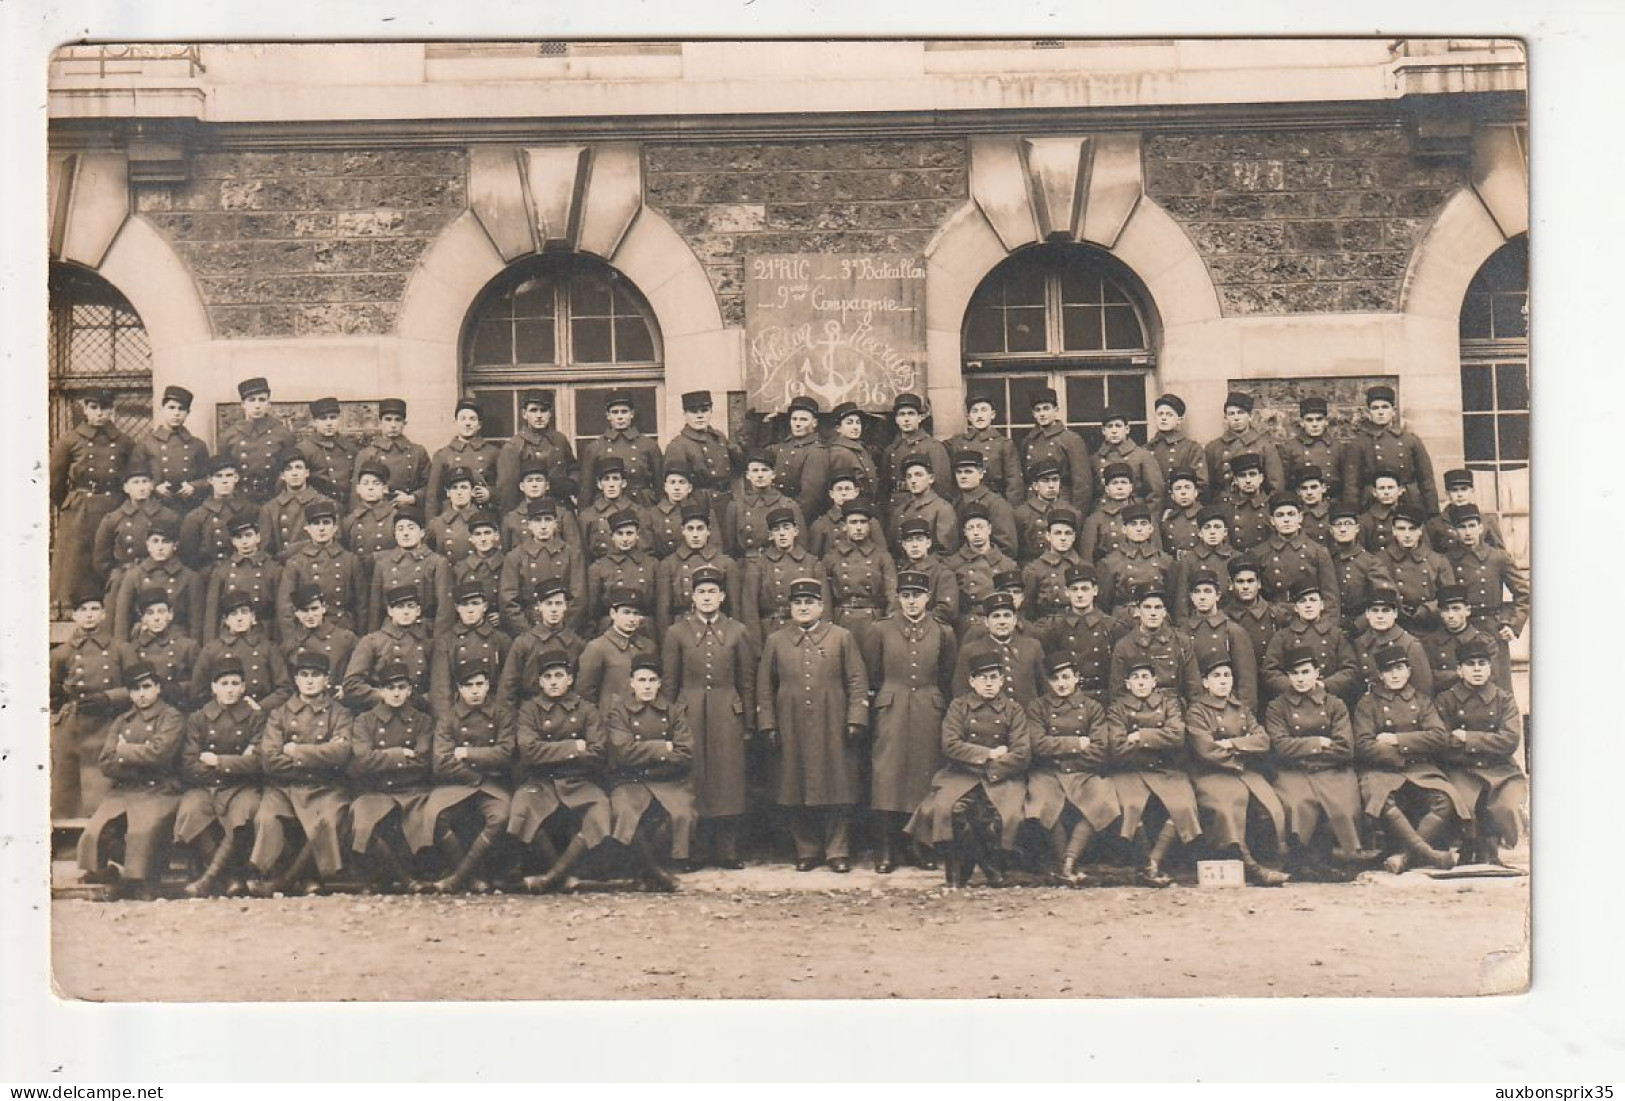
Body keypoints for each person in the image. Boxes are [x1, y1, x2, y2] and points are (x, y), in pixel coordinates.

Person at [756, 577, 869, 872]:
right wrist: (768, 724)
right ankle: (806, 849)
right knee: (794, 785)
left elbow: (857, 681)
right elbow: (764, 687)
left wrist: (856, 718)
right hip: (790, 723)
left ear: (821, 606)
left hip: (832, 722)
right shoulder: (776, 640)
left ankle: (837, 850)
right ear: (790, 608)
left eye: (809, 603)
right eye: (798, 603)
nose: (803, 608)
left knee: (838, 785)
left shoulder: (841, 637)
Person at [907, 650, 1032, 888]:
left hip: (1001, 777)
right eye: (982, 678)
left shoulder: (1014, 710)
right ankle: (961, 870)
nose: (988, 684)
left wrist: (991, 769)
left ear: (1002, 680)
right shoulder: (959, 707)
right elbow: (950, 745)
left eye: (993, 677)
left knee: (1001, 817)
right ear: (971, 681)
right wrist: (987, 754)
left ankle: (989, 864)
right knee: (952, 811)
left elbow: (1022, 752)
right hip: (961, 775)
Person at [660, 566, 758, 869]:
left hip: (726, 712)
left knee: (727, 780)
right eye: (701, 592)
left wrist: (748, 722)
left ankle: (727, 849)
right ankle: (695, 850)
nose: (706, 597)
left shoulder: (737, 631)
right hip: (689, 712)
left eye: (712, 592)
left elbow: (747, 680)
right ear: (692, 596)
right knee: (694, 779)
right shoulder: (677, 632)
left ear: (722, 596)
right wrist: (669, 722)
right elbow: (669, 681)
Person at [861, 570, 957, 873]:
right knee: (886, 776)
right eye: (906, 596)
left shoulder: (943, 632)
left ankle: (919, 845)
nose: (911, 602)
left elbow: (946, 673)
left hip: (928, 707)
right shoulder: (881, 630)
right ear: (898, 598)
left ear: (928, 598)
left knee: (923, 775)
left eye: (917, 595)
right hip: (892, 706)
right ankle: (886, 848)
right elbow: (872, 673)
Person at [1355, 642, 1467, 874]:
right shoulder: (1368, 703)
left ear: (1408, 671)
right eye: (1388, 670)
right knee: (1382, 799)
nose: (1394, 675)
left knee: (1445, 800)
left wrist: (1396, 740)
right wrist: (1405, 754)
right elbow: (1363, 744)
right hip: (1382, 769)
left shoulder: (1422, 701)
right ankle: (1429, 854)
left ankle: (1405, 856)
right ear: (1380, 675)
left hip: (1420, 768)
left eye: (1399, 668)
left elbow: (1438, 737)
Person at [250, 649, 354, 897]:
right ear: (296, 680)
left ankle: (290, 881)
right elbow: (270, 760)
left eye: (316, 675)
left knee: (325, 822)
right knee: (266, 818)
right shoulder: (280, 713)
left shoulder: (339, 713)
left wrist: (295, 750)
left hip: (325, 787)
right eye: (304, 675)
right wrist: (318, 756)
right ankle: (284, 875)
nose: (309, 680)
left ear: (326, 680)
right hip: (284, 788)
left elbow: (340, 753)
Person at [76, 661, 183, 900]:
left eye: (146, 687)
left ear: (158, 687)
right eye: (135, 690)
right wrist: (139, 759)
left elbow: (161, 754)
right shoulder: (122, 720)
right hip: (125, 790)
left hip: (160, 790)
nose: (141, 694)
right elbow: (106, 762)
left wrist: (124, 752)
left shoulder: (171, 717)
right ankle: (114, 872)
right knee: (95, 833)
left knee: (143, 832)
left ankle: (142, 880)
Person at [1263, 644, 1372, 876]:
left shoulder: (1335, 704)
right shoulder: (1277, 707)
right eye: (1294, 674)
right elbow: (1280, 746)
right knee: (1297, 804)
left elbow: (1344, 748)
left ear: (1317, 673)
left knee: (1344, 808)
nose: (1300, 679)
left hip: (1333, 770)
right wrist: (1319, 743)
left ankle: (1341, 859)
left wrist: (1303, 751)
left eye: (1305, 672)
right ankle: (1301, 861)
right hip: (1293, 772)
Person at [1184, 655, 1290, 886]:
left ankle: (1270, 860)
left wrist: (1232, 744)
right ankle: (1250, 867)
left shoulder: (1241, 708)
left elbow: (1262, 740)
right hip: (1210, 774)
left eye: (1227, 676)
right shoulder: (1197, 712)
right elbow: (1206, 749)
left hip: (1243, 772)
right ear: (1205, 683)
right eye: (1216, 676)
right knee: (1226, 811)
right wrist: (1242, 750)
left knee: (1270, 808)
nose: (1223, 681)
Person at [1101, 655, 1201, 887]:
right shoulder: (1117, 708)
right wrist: (1158, 740)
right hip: (1130, 771)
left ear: (1155, 681)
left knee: (1183, 805)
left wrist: (1139, 736)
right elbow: (1117, 747)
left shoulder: (1170, 704)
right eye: (1135, 678)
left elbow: (1177, 736)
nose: (1141, 683)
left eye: (1146, 677)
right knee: (1131, 805)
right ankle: (1148, 863)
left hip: (1165, 769)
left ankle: (1154, 862)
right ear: (1127, 684)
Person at [174, 655, 264, 897]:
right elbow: (189, 764)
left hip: (241, 787)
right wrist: (237, 763)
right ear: (214, 687)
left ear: (244, 687)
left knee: (244, 813)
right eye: (224, 684)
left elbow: (257, 762)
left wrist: (218, 761)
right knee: (191, 811)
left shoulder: (255, 718)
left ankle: (209, 879)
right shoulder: (199, 718)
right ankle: (230, 876)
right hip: (205, 786)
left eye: (235, 683)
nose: (230, 690)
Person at [1024, 652, 1116, 886]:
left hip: (1082, 772)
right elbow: (1037, 744)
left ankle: (1068, 862)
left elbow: (1099, 748)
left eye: (1066, 677)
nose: (1061, 684)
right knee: (1043, 801)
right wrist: (1077, 743)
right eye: (1055, 679)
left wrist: (1062, 754)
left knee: (1103, 800)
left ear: (1077, 678)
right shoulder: (1038, 707)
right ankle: (1064, 865)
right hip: (1049, 773)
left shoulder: (1092, 708)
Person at [421, 660, 514, 893]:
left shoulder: (502, 715)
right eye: (468, 685)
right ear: (459, 689)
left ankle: (457, 879)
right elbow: (441, 763)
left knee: (501, 817)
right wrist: (477, 772)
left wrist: (465, 753)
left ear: (487, 686)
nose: (474, 690)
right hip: (457, 785)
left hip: (492, 786)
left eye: (479, 684)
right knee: (436, 815)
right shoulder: (448, 718)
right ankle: (472, 879)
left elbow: (505, 753)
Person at [605, 656, 696, 890]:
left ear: (659, 684)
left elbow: (685, 753)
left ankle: (646, 868)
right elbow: (622, 752)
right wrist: (663, 747)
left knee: (683, 814)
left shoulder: (674, 712)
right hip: (630, 780)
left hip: (668, 780)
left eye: (652, 680)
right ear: (631, 683)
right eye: (641, 680)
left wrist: (644, 752)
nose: (646, 686)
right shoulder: (619, 712)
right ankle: (656, 872)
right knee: (625, 812)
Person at [345, 659, 434, 893]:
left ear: (409, 690)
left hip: (412, 791)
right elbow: (363, 759)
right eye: (390, 688)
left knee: (425, 820)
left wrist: (381, 756)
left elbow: (422, 760)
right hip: (376, 790)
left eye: (401, 687)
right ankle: (404, 880)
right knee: (363, 821)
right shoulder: (365, 721)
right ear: (381, 691)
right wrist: (401, 753)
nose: (396, 693)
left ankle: (395, 876)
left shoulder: (422, 721)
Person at [1436, 638, 1527, 866]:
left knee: (1505, 806)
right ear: (1459, 670)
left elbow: (1509, 740)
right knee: (1463, 805)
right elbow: (1442, 742)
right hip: (1461, 769)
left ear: (1490, 668)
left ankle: (1497, 850)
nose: (1476, 669)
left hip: (1501, 771)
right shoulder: (1446, 700)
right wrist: (1488, 745)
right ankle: (1469, 849)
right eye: (1470, 664)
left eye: (1482, 663)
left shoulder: (1503, 700)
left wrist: (1468, 738)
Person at [50, 586, 129, 817]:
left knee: (103, 779)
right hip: (75, 724)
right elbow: (53, 689)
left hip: (108, 722)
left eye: (95, 609)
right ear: (75, 616)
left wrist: (109, 697)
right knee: (69, 781)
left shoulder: (119, 649)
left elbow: (136, 689)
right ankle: (68, 836)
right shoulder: (61, 654)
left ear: (104, 614)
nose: (89, 614)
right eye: (83, 610)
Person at [1445, 503, 1529, 691]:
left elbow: (1524, 594)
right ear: (1454, 531)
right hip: (1462, 629)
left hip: (1492, 629)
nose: (1468, 532)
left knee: (1498, 687)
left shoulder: (1497, 557)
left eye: (1472, 526)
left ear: (1481, 527)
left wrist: (1513, 624)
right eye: (1462, 527)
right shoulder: (1448, 560)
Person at [1341, 384, 1439, 516]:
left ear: (1393, 411)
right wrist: (1352, 514)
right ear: (1369, 412)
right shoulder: (1359, 443)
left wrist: (1433, 514)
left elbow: (1426, 481)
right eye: (1375, 408)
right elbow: (1351, 485)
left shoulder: (1410, 440)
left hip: (1408, 501)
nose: (1380, 412)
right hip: (1372, 504)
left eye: (1385, 407)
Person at [188, 589, 291, 713]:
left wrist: (261, 706)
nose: (239, 618)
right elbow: (198, 692)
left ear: (253, 617)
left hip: (258, 715)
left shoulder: (268, 648)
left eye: (244, 612)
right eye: (233, 614)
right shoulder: (212, 650)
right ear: (226, 620)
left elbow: (284, 689)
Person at [92, 454, 179, 602]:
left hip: (160, 578)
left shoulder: (169, 516)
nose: (141, 487)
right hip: (125, 577)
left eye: (145, 482)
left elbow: (179, 551)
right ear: (126, 488)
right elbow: (101, 560)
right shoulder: (113, 519)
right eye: (135, 482)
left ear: (152, 486)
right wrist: (116, 576)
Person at [496, 580, 588, 718]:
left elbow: (583, 689)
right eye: (548, 604)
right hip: (531, 716)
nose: (554, 609)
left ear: (566, 606)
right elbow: (508, 689)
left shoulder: (578, 645)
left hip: (568, 717)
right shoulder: (524, 643)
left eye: (558, 603)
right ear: (539, 606)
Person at [278, 498, 366, 636]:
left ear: (335, 528)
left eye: (326, 523)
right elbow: (285, 608)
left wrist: (359, 636)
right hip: (307, 631)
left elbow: (362, 606)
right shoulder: (296, 563)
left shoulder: (350, 560)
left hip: (342, 630)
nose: (321, 528)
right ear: (307, 529)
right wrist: (293, 640)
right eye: (316, 523)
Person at [739, 507, 827, 644]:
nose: (782, 534)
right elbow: (750, 611)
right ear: (770, 535)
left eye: (786, 528)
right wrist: (755, 645)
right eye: (776, 529)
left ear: (795, 531)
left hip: (805, 630)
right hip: (770, 631)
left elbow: (824, 607)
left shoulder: (812, 563)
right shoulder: (758, 565)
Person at [1261, 581, 1359, 704]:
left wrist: (1324, 685)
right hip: (1293, 702)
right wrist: (1296, 685)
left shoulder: (1336, 635)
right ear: (1296, 608)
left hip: (1328, 700)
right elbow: (1269, 671)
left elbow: (1350, 670)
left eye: (1313, 600)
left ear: (1322, 605)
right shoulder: (1283, 636)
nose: (1308, 605)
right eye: (1302, 601)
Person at [498, 498, 585, 635]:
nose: (543, 526)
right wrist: (529, 634)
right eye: (538, 520)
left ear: (556, 524)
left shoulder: (571, 554)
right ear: (529, 525)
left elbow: (578, 598)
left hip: (564, 630)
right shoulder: (515, 557)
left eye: (548, 520)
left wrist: (562, 630)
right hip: (529, 628)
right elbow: (508, 602)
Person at [1039, 564, 1123, 706]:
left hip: (1103, 700)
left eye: (1085, 588)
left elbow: (1117, 674)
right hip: (1066, 701)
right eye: (1074, 589)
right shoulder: (1055, 628)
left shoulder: (1112, 627)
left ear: (1095, 590)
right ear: (1066, 592)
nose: (1079, 594)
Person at [822, 498, 897, 656]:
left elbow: (892, 595)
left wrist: (887, 626)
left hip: (873, 622)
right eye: (853, 522)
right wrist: (827, 628)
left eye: (863, 522)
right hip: (841, 621)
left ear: (869, 526)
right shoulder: (831, 557)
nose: (858, 528)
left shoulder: (882, 556)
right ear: (844, 526)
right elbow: (825, 597)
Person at [426, 581, 511, 718]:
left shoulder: (500, 640)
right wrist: (447, 721)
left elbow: (507, 686)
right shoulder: (446, 642)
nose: (470, 610)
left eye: (475, 603)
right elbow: (441, 689)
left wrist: (501, 717)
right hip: (458, 714)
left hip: (492, 714)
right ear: (457, 608)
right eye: (464, 605)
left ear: (485, 606)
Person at [654, 505, 741, 638]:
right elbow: (663, 611)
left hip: (718, 629)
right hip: (682, 630)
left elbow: (734, 608)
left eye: (700, 528)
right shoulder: (669, 564)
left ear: (709, 531)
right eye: (690, 528)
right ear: (683, 530)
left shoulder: (725, 563)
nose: (695, 534)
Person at [344, 585, 434, 713]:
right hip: (380, 713)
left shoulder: (428, 643)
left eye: (410, 606)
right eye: (400, 607)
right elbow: (351, 685)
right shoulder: (372, 642)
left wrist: (423, 700)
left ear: (418, 611)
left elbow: (438, 685)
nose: (406, 612)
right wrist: (384, 695)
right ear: (390, 611)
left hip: (417, 714)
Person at [1180, 569, 1260, 713]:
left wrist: (1242, 715)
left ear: (1217, 596)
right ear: (1191, 597)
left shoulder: (1233, 631)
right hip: (1195, 710)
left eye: (1207, 591)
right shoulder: (1182, 633)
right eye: (1197, 592)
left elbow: (1246, 684)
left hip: (1229, 709)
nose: (1202, 597)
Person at [111, 517, 202, 641]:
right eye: (155, 541)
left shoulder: (189, 577)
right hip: (143, 642)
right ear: (147, 544)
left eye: (166, 542)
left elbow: (195, 625)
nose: (160, 547)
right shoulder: (134, 576)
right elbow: (122, 621)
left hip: (177, 643)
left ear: (175, 545)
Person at [365, 505, 452, 634]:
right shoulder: (383, 564)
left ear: (422, 532)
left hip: (423, 632)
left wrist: (438, 642)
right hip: (390, 632)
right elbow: (375, 611)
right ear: (395, 534)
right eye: (400, 529)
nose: (405, 533)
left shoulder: (437, 562)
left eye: (411, 528)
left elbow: (444, 609)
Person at [1256, 492, 1341, 622]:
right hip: (1274, 619)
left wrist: (1326, 631)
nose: (1286, 520)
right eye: (1280, 515)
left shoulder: (1317, 552)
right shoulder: (1260, 554)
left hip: (1310, 619)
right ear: (1272, 521)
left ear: (1300, 518)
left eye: (1291, 514)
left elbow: (1330, 598)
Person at [953, 592, 1046, 706]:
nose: (1002, 622)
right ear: (986, 622)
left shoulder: (1033, 647)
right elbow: (961, 693)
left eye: (1007, 615)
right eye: (996, 616)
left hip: (1027, 719)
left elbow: (1045, 690)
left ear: (1015, 620)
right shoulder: (971, 651)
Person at [1107, 584, 1197, 703]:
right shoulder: (1124, 646)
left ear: (1164, 612)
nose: (1153, 613)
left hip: (1175, 710)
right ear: (1138, 611)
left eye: (1158, 607)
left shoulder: (1181, 642)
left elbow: (1194, 689)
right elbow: (1117, 694)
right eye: (1147, 607)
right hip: (1137, 712)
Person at [576, 589, 659, 714]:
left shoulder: (648, 646)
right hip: (611, 721)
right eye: (626, 613)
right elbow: (585, 693)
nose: (631, 619)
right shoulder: (597, 647)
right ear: (613, 614)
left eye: (636, 613)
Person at [941, 503, 1016, 638]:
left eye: (980, 527)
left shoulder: (1007, 564)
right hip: (966, 626)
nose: (976, 532)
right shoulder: (952, 564)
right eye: (970, 528)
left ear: (989, 529)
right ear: (964, 532)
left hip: (998, 624)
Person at [133, 384, 210, 516]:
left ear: (188, 413)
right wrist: (154, 487)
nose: (176, 413)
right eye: (171, 407)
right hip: (155, 507)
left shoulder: (197, 445)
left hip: (189, 507)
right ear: (161, 409)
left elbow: (208, 478)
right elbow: (133, 477)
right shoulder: (146, 444)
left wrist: (194, 487)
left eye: (181, 409)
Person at [496, 389, 576, 514]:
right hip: (532, 513)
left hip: (561, 509)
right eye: (533, 410)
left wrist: (571, 484)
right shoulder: (514, 447)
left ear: (550, 413)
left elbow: (573, 467)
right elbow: (507, 493)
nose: (539, 416)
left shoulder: (559, 440)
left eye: (543, 410)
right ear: (524, 414)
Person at [220, 377, 297, 505]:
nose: (257, 405)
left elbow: (290, 469)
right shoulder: (229, 436)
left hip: (275, 499)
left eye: (262, 400)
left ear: (269, 404)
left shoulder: (282, 433)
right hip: (240, 500)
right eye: (251, 400)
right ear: (243, 404)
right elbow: (222, 471)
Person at [179, 455, 257, 580]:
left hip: (245, 576)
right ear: (210, 480)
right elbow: (188, 559)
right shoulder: (196, 517)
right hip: (210, 579)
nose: (224, 481)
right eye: (219, 476)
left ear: (236, 478)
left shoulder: (250, 510)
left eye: (229, 475)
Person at [662, 389, 740, 514]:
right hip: (698, 505)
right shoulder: (678, 445)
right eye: (693, 411)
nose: (700, 416)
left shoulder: (719, 437)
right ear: (685, 414)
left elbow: (739, 466)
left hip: (726, 502)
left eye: (704, 410)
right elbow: (674, 486)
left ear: (711, 412)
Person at [1379, 504, 1453, 632]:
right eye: (1401, 529)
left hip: (1429, 627)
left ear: (1420, 531)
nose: (1407, 535)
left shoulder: (1437, 561)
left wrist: (1429, 609)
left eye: (1412, 529)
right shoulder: (1381, 560)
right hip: (1393, 628)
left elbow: (1450, 597)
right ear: (1394, 531)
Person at [579, 391, 662, 505]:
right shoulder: (595, 448)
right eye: (615, 412)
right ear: (608, 415)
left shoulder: (648, 445)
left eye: (624, 412)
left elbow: (659, 485)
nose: (620, 417)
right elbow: (586, 489)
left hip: (641, 503)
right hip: (607, 504)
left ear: (632, 414)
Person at [203, 517, 281, 638]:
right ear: (232, 541)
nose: (244, 541)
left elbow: (281, 609)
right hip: (231, 633)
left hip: (266, 633)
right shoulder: (222, 571)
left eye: (248, 535)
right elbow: (212, 614)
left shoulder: (273, 569)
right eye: (238, 537)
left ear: (258, 537)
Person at [1097, 502, 1174, 624]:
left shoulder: (1164, 560)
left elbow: (1171, 599)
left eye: (1143, 524)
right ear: (1124, 529)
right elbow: (1104, 603)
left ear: (1150, 529)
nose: (1139, 529)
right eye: (1133, 524)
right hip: (1124, 620)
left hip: (1157, 619)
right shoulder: (1111, 562)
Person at [123, 586, 200, 708]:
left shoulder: (187, 647)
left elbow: (200, 684)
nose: (156, 618)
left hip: (177, 708)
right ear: (143, 618)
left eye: (161, 611)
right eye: (150, 613)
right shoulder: (132, 649)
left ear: (170, 615)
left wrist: (178, 688)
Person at [585, 509, 659, 634]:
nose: (625, 539)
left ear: (638, 535)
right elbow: (592, 611)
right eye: (620, 533)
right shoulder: (598, 567)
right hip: (610, 628)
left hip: (644, 628)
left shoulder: (652, 565)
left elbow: (659, 607)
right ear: (612, 536)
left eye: (629, 533)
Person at [1352, 586, 1434, 698]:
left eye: (1386, 611)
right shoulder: (1359, 643)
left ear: (1395, 613)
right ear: (1367, 614)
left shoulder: (1410, 644)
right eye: (1375, 611)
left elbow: (1423, 691)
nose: (1380, 616)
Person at [1019, 389, 1091, 514]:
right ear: (1033, 413)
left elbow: (1082, 485)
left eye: (1046, 408)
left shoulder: (1071, 439)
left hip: (1062, 503)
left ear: (1056, 410)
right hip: (1033, 505)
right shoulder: (1028, 441)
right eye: (1038, 410)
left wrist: (1076, 514)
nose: (1042, 414)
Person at [1417, 584, 1497, 696]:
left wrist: (1447, 676)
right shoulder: (1429, 642)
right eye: (1445, 610)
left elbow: (1491, 677)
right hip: (1442, 702)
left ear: (1467, 610)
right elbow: (1427, 678)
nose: (1450, 615)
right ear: (1440, 613)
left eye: (1456, 609)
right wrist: (1463, 674)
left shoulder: (1485, 641)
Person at [1328, 502, 1395, 636]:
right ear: (1331, 530)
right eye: (1338, 524)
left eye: (1348, 524)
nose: (1343, 529)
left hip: (1363, 630)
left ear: (1357, 528)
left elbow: (1387, 597)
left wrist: (1358, 625)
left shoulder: (1370, 562)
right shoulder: (1326, 560)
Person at [724, 450, 804, 561]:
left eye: (765, 470)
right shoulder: (736, 506)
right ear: (748, 475)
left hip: (778, 565)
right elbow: (730, 549)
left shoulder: (788, 505)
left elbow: (800, 547)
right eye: (755, 470)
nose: (760, 475)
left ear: (773, 474)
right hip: (747, 567)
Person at [425, 398, 500, 516]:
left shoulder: (493, 452)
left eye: (472, 419)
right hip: (452, 518)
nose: (468, 423)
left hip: (484, 516)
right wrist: (432, 525)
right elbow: (433, 497)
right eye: (463, 418)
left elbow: (506, 488)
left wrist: (490, 493)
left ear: (479, 424)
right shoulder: (443, 455)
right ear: (455, 422)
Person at [354, 398, 430, 510]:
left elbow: (431, 486)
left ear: (404, 423)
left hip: (409, 512)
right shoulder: (367, 454)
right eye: (388, 420)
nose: (393, 425)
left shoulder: (417, 452)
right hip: (377, 513)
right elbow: (357, 493)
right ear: (380, 422)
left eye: (398, 420)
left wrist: (412, 498)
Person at [279, 584, 358, 692]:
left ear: (324, 608)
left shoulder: (345, 639)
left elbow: (358, 675)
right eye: (304, 610)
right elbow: (286, 686)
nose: (310, 615)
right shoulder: (290, 645)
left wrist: (346, 689)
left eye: (314, 609)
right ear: (296, 612)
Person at [1204, 390, 1284, 495]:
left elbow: (1276, 485)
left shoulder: (1264, 446)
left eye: (1241, 413)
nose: (1236, 418)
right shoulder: (1214, 447)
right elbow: (1208, 484)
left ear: (1250, 416)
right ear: (1226, 418)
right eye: (1231, 414)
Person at [948, 394, 1024, 504]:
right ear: (969, 417)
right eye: (975, 411)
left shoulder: (1004, 444)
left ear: (992, 415)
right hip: (965, 501)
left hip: (994, 500)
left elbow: (1013, 481)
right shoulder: (958, 442)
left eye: (984, 410)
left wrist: (1011, 507)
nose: (979, 415)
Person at [881, 393, 952, 510]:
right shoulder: (890, 450)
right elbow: (884, 489)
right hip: (895, 508)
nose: (906, 419)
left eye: (911, 414)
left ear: (920, 418)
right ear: (896, 420)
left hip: (923, 507)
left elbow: (942, 487)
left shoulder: (933, 447)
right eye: (902, 414)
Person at [1021, 507, 1085, 630]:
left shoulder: (1083, 566)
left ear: (1074, 537)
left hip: (1076, 626)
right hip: (1045, 627)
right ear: (1048, 536)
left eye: (1068, 533)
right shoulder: (1034, 569)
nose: (1063, 538)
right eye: (1057, 533)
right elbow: (1028, 609)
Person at [578, 458, 652, 561]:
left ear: (624, 483)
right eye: (606, 479)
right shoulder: (587, 516)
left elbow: (645, 551)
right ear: (599, 484)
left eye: (616, 478)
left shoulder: (639, 512)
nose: (611, 484)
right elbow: (582, 554)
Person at [950, 449, 1019, 559]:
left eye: (968, 471)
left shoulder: (996, 504)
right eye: (959, 472)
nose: (962, 476)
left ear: (981, 473)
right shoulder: (956, 503)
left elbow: (1007, 548)